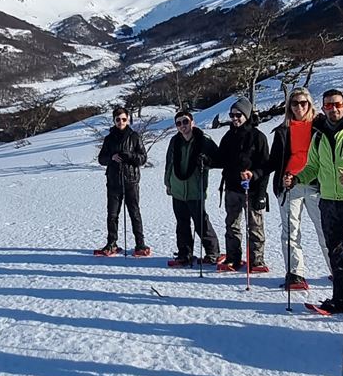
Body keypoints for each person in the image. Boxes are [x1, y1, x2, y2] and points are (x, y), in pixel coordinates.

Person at [291, 89, 343, 313]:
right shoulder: (319, 136)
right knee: (336, 252)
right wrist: (297, 177)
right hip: (328, 201)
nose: (333, 109)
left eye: (337, 104)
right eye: (328, 105)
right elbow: (313, 167)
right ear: (323, 108)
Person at [267, 86, 326, 291]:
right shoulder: (284, 130)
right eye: (295, 103)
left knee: (325, 230)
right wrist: (253, 171)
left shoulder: (321, 126)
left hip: (316, 185)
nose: (299, 107)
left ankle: (340, 272)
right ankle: (295, 274)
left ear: (310, 104)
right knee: (290, 231)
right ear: (289, 107)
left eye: (303, 103)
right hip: (290, 183)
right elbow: (274, 160)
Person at [212, 96, 270, 272]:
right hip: (232, 188)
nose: (235, 118)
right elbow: (220, 159)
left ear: (247, 115)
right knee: (232, 225)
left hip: (252, 190)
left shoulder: (258, 137)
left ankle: (257, 260)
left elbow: (266, 166)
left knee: (255, 227)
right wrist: (207, 159)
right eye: (232, 115)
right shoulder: (229, 136)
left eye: (238, 115)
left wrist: (259, 190)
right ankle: (233, 258)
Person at [162, 109, 222, 265]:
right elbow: (169, 164)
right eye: (179, 123)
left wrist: (206, 161)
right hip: (178, 189)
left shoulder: (204, 140)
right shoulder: (174, 141)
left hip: (195, 189)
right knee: (182, 224)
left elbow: (219, 160)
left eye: (185, 122)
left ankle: (213, 252)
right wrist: (168, 183)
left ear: (192, 122)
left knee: (201, 223)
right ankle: (184, 253)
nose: (182, 126)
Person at [95, 106, 150, 256]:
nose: (121, 122)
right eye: (118, 119)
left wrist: (130, 156)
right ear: (114, 120)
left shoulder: (134, 137)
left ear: (128, 120)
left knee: (134, 213)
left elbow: (143, 158)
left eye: (124, 119)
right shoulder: (109, 138)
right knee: (112, 214)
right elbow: (101, 159)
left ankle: (140, 244)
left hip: (131, 181)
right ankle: (111, 242)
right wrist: (111, 158)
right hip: (113, 181)